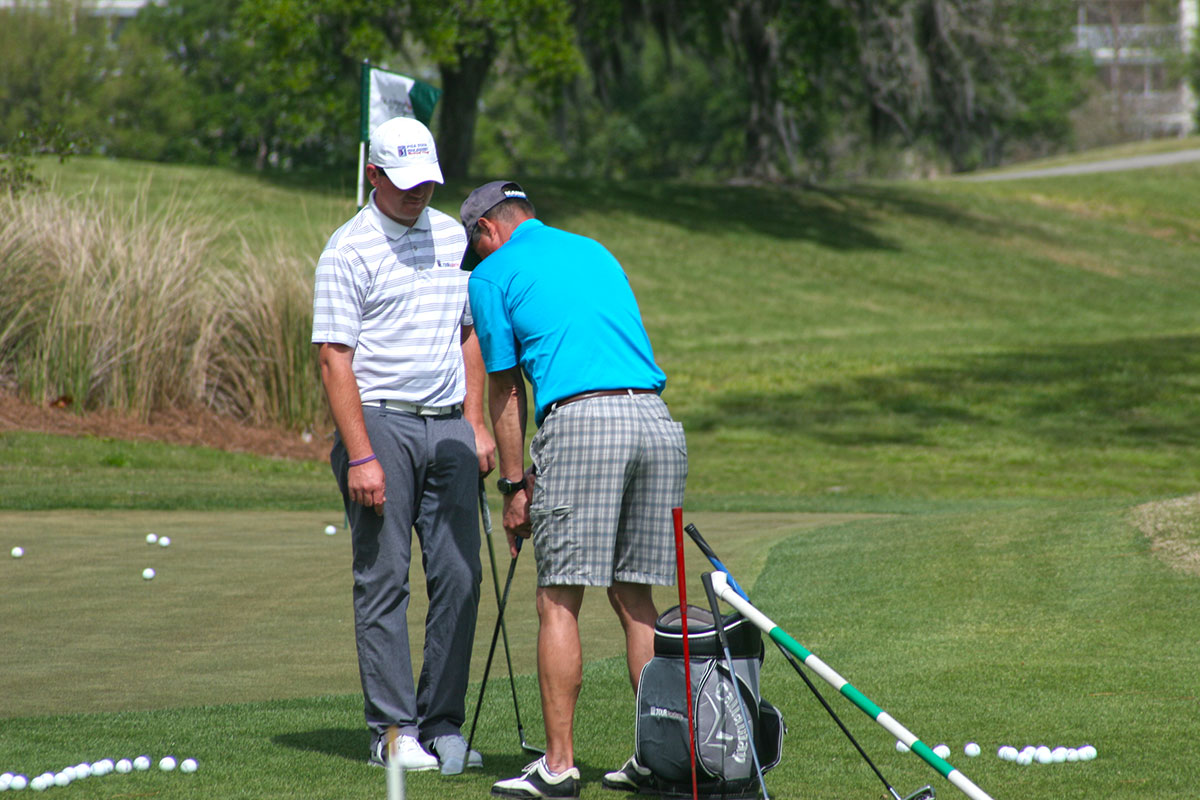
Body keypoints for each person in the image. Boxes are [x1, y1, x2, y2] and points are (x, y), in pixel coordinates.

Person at [459, 181, 688, 798]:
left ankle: (558, 768)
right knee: (634, 595)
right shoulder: (593, 248)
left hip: (585, 421)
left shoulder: (491, 273)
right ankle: (657, 757)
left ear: (486, 231)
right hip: (656, 422)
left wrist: (513, 487)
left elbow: (505, 388)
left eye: (473, 248)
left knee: (557, 597)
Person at [311, 116, 496, 776]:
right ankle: (393, 730)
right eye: (405, 183)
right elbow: (335, 358)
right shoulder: (348, 248)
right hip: (380, 422)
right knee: (384, 579)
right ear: (374, 175)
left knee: (460, 576)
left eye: (427, 183)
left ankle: (442, 723)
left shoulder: (452, 236)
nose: (418, 195)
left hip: (448, 422)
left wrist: (476, 420)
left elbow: (470, 331)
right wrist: (359, 454)